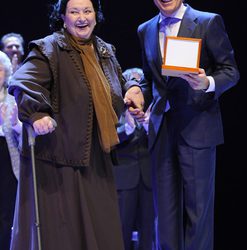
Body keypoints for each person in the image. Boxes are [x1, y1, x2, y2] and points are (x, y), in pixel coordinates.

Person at [7, 0, 144, 250]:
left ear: (96, 15)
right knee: (64, 236)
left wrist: (132, 88)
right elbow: (23, 82)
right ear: (63, 17)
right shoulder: (48, 48)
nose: (82, 18)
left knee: (102, 233)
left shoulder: (104, 50)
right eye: (74, 11)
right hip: (60, 158)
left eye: (87, 11)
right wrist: (37, 114)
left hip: (96, 156)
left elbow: (117, 80)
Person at [133, 0, 240, 249]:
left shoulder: (207, 21)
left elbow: (231, 71)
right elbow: (151, 80)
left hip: (198, 127)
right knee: (165, 217)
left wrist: (208, 83)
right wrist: (138, 91)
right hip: (161, 131)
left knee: (198, 213)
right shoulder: (145, 29)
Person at [114, 68, 155, 250]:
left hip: (149, 179)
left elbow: (163, 138)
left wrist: (147, 124)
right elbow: (109, 138)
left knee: (149, 232)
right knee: (121, 230)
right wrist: (128, 126)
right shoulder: (117, 108)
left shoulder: (151, 108)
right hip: (124, 179)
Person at [0, 51, 22, 250]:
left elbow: (23, 133)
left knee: (6, 213)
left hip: (7, 159)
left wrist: (14, 122)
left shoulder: (11, 98)